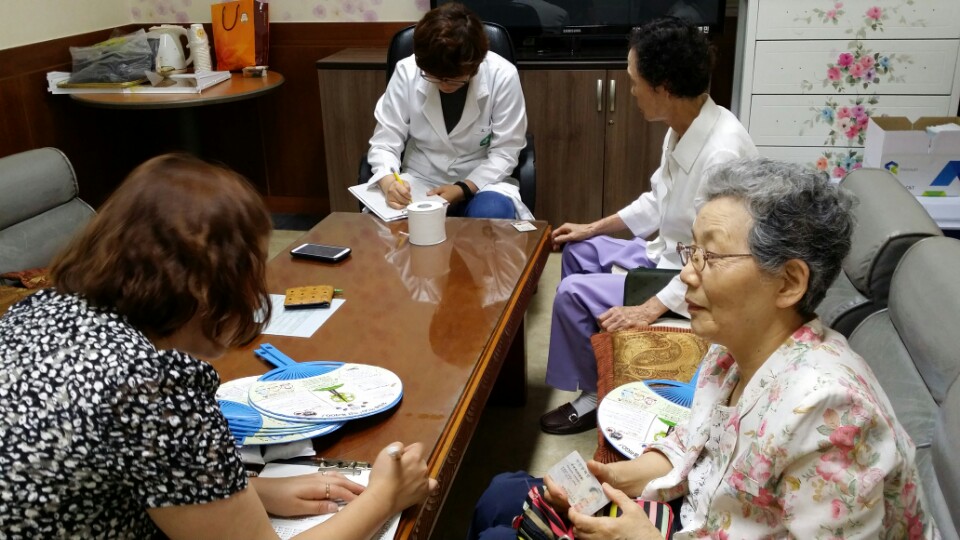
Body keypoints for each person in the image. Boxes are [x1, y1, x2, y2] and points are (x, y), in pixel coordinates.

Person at [469, 157, 939, 539]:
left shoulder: (833, 415)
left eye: (710, 257)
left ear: (789, 282)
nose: (688, 274)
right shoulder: (732, 347)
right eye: (690, 252)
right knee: (502, 493)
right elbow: (698, 441)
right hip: (700, 517)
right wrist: (619, 478)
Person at [0, 154, 437, 539]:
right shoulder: (150, 385)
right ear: (204, 287)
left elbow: (101, 464)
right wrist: (384, 497)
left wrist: (249, 491)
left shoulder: (39, 307)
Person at [540, 17, 758, 435]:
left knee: (570, 293)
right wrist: (592, 228)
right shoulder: (685, 127)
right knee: (580, 250)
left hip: (690, 275)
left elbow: (711, 259)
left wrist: (648, 308)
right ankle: (600, 369)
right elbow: (656, 202)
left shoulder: (721, 154)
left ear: (664, 87)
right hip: (667, 252)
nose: (632, 89)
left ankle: (592, 397)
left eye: (636, 80)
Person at [366, 2, 532, 220]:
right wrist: (389, 182)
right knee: (390, 231)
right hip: (420, 180)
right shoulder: (407, 71)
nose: (444, 84)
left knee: (491, 216)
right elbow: (385, 141)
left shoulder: (502, 75)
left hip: (481, 181)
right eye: (433, 76)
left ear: (476, 64)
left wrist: (463, 188)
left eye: (453, 78)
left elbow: (506, 151)